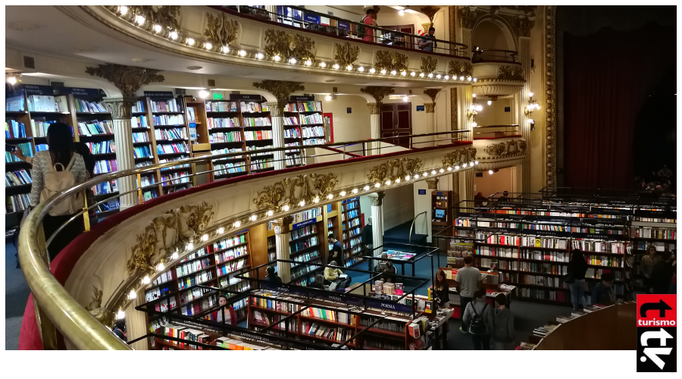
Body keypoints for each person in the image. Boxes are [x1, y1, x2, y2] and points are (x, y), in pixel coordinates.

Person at [28, 122, 89, 261]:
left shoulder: (40, 157)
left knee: (53, 248)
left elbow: (36, 187)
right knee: (71, 248)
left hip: (49, 210)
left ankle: (56, 277)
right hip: (72, 210)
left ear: (50, 137)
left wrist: (33, 210)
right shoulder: (78, 158)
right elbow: (81, 185)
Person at [455, 255, 482, 333]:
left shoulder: (460, 271)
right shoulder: (476, 271)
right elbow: (480, 283)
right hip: (473, 295)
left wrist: (460, 292)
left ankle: (464, 328)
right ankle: (474, 327)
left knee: (463, 312)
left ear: (464, 262)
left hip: (463, 295)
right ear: (471, 261)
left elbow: (457, 283)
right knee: (474, 312)